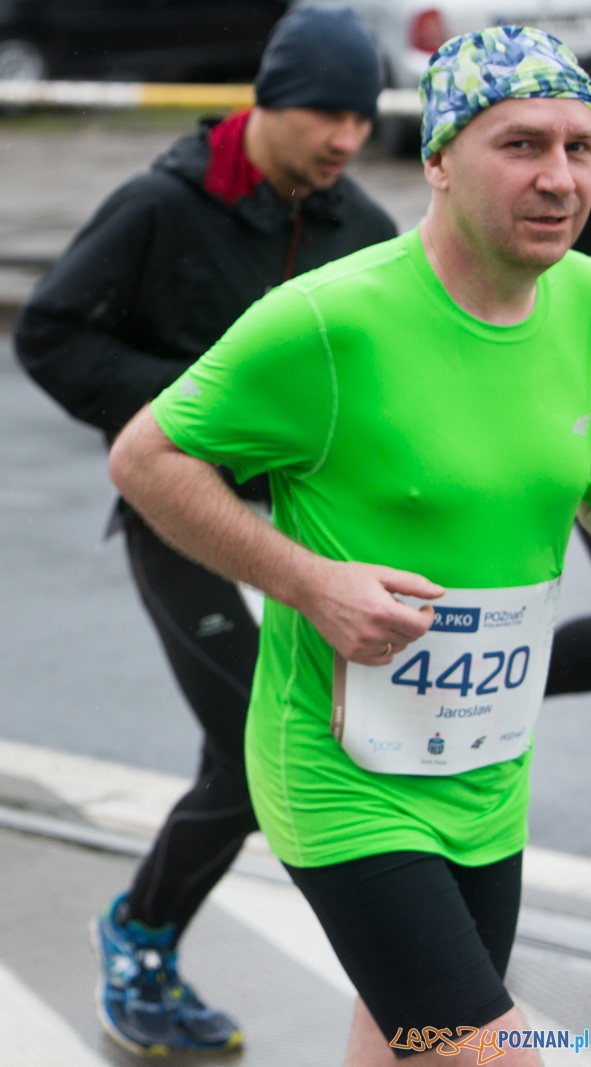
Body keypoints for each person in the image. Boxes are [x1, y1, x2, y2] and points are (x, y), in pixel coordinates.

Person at [109, 26, 591, 1065]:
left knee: (408, 1040)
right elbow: (145, 459)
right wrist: (309, 580)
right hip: (343, 774)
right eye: (520, 146)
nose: (558, 178)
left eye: (578, 147)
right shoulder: (330, 321)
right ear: (438, 159)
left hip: (484, 771)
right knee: (495, 1051)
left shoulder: (587, 306)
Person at [12, 6, 395, 1054]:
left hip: (307, 535)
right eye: (325, 112)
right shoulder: (158, 205)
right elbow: (46, 331)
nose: (345, 139)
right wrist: (184, 409)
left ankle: (416, 973)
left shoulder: (360, 230)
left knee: (323, 742)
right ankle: (138, 931)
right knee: (243, 748)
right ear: (266, 101)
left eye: (361, 118)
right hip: (177, 514)